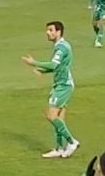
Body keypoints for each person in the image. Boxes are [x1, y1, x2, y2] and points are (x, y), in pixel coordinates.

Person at [23, 21, 79, 159]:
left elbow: (54, 65)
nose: (48, 33)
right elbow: (60, 67)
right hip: (63, 84)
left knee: (51, 115)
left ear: (58, 32)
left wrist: (34, 63)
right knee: (59, 118)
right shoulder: (62, 46)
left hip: (63, 86)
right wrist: (42, 70)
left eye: (50, 30)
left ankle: (72, 142)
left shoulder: (61, 47)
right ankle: (59, 148)